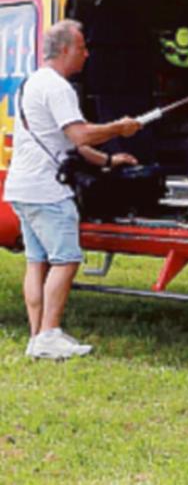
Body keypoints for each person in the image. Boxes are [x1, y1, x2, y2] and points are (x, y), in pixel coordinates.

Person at [5, 19, 142, 360]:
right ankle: (50, 333)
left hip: (21, 187)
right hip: (47, 191)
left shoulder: (32, 83)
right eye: (81, 48)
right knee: (66, 259)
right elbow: (80, 135)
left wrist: (108, 161)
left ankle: (37, 337)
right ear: (65, 49)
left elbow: (69, 143)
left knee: (37, 261)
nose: (86, 54)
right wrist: (120, 128)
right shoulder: (59, 88)